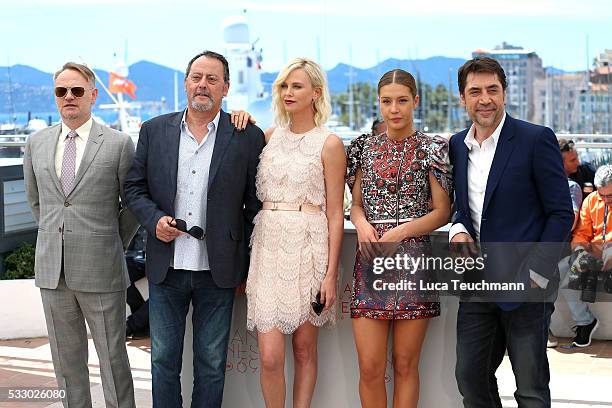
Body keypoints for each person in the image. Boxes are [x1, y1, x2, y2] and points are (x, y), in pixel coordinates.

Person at [123, 50, 264, 408]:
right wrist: (155, 220)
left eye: (212, 79)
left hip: (218, 271)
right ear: (186, 83)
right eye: (197, 77)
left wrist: (245, 264)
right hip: (165, 267)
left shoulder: (246, 135)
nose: (203, 85)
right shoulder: (155, 131)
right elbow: (134, 189)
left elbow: (254, 205)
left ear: (226, 88)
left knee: (212, 364)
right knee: (162, 361)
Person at [449, 57, 574, 408]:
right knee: (470, 379)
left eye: (492, 90)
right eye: (475, 91)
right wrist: (459, 229)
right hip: (478, 284)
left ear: (504, 94)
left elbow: (561, 211)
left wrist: (537, 271)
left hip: (527, 285)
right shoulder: (457, 146)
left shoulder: (535, 139)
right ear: (463, 98)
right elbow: (464, 205)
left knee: (530, 389)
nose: (484, 99)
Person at [23, 62, 139, 408]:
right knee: (66, 363)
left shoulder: (118, 143)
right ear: (55, 97)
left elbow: (132, 205)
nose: (69, 97)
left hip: (102, 269)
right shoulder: (36, 143)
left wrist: (107, 241)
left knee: (113, 360)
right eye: (62, 91)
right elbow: (36, 201)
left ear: (93, 94)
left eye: (76, 90)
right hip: (52, 271)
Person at [347, 69, 452, 408]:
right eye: (387, 101)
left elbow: (442, 212)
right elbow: (357, 206)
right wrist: (361, 224)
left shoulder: (432, 149)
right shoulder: (363, 148)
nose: (394, 109)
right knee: (369, 367)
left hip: (414, 261)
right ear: (378, 103)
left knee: (406, 365)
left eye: (402, 101)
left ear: (415, 102)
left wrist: (401, 231)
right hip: (371, 260)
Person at [246, 57, 346, 408]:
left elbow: (336, 213)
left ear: (316, 93)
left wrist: (330, 275)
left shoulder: (330, 144)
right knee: (271, 357)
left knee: (304, 350)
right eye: (284, 86)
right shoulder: (267, 137)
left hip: (309, 247)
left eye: (297, 86)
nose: (288, 92)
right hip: (268, 246)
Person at [559, 164, 612, 347]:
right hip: (594, 253)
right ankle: (585, 322)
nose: (605, 200)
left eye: (610, 196)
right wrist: (580, 250)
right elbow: (581, 233)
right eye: (601, 195)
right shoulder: (591, 201)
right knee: (562, 268)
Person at [548, 140, 583, 348]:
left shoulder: (571, 187)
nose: (578, 163)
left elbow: (568, 223)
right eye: (572, 159)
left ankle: (545, 328)